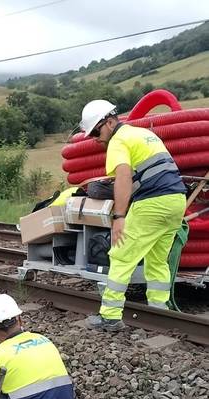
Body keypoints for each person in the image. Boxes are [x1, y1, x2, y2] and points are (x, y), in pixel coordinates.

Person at [79, 100, 186, 331]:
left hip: (152, 203)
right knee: (157, 260)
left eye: (96, 132)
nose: (95, 138)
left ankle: (110, 317)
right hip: (176, 201)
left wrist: (119, 217)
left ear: (109, 122)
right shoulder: (142, 134)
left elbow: (124, 178)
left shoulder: (118, 141)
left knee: (121, 255)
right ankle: (160, 312)